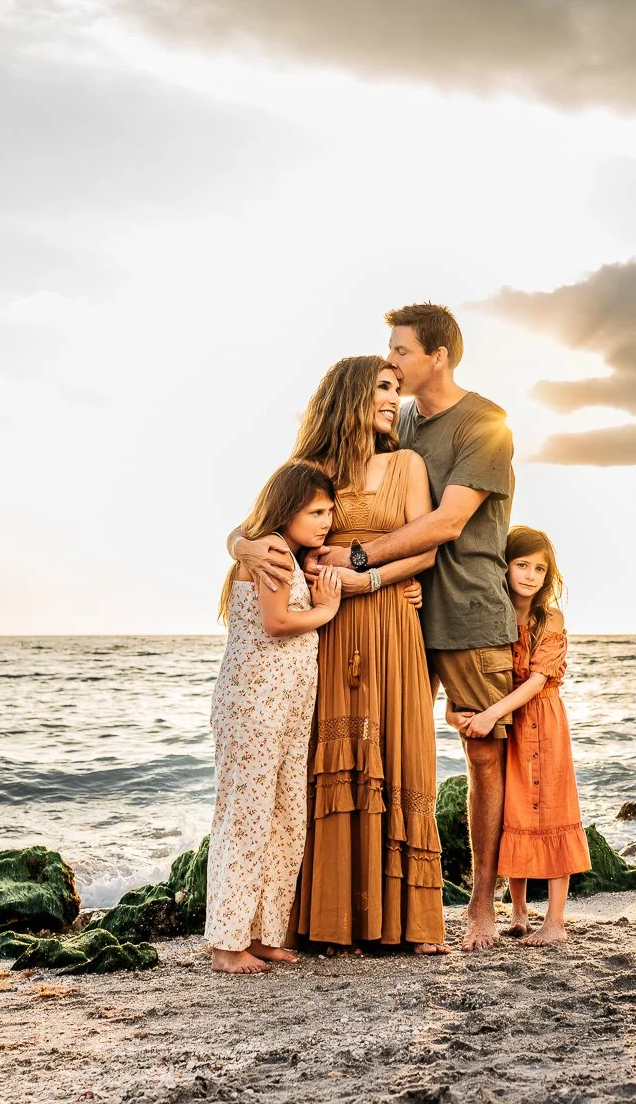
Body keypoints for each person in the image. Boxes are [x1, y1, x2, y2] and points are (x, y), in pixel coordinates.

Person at [302, 304, 518, 952]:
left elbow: (448, 523)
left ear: (438, 356)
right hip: (398, 612)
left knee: (482, 753)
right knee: (384, 749)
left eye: (399, 353)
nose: (389, 364)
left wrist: (366, 560)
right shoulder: (405, 418)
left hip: (466, 605)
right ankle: (361, 903)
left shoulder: (485, 424)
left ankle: (481, 905)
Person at [232, 357, 448, 954]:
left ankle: (410, 921)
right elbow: (253, 525)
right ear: (350, 395)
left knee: (401, 752)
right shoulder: (312, 469)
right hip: (323, 629)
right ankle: (332, 921)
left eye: (396, 388)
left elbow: (426, 550)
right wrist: (246, 546)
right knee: (330, 754)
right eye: (383, 387)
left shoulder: (408, 464)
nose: (392, 398)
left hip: (387, 619)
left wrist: (368, 580)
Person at [206, 460, 344, 975]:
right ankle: (226, 943)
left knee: (286, 816)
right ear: (287, 509)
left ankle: (262, 933)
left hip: (285, 704)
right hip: (254, 706)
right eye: (315, 511)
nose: (325, 520)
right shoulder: (271, 553)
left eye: (329, 510)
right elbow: (277, 621)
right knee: (247, 817)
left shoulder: (287, 551)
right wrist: (327, 611)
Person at [451, 526, 589, 947]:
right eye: (522, 564)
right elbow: (472, 666)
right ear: (505, 566)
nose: (530, 575)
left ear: (548, 576)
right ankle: (518, 913)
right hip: (509, 721)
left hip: (541, 720)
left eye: (539, 568)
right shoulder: (494, 614)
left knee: (550, 809)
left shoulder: (551, 618)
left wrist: (491, 712)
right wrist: (457, 708)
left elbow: (536, 681)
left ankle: (556, 922)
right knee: (515, 811)